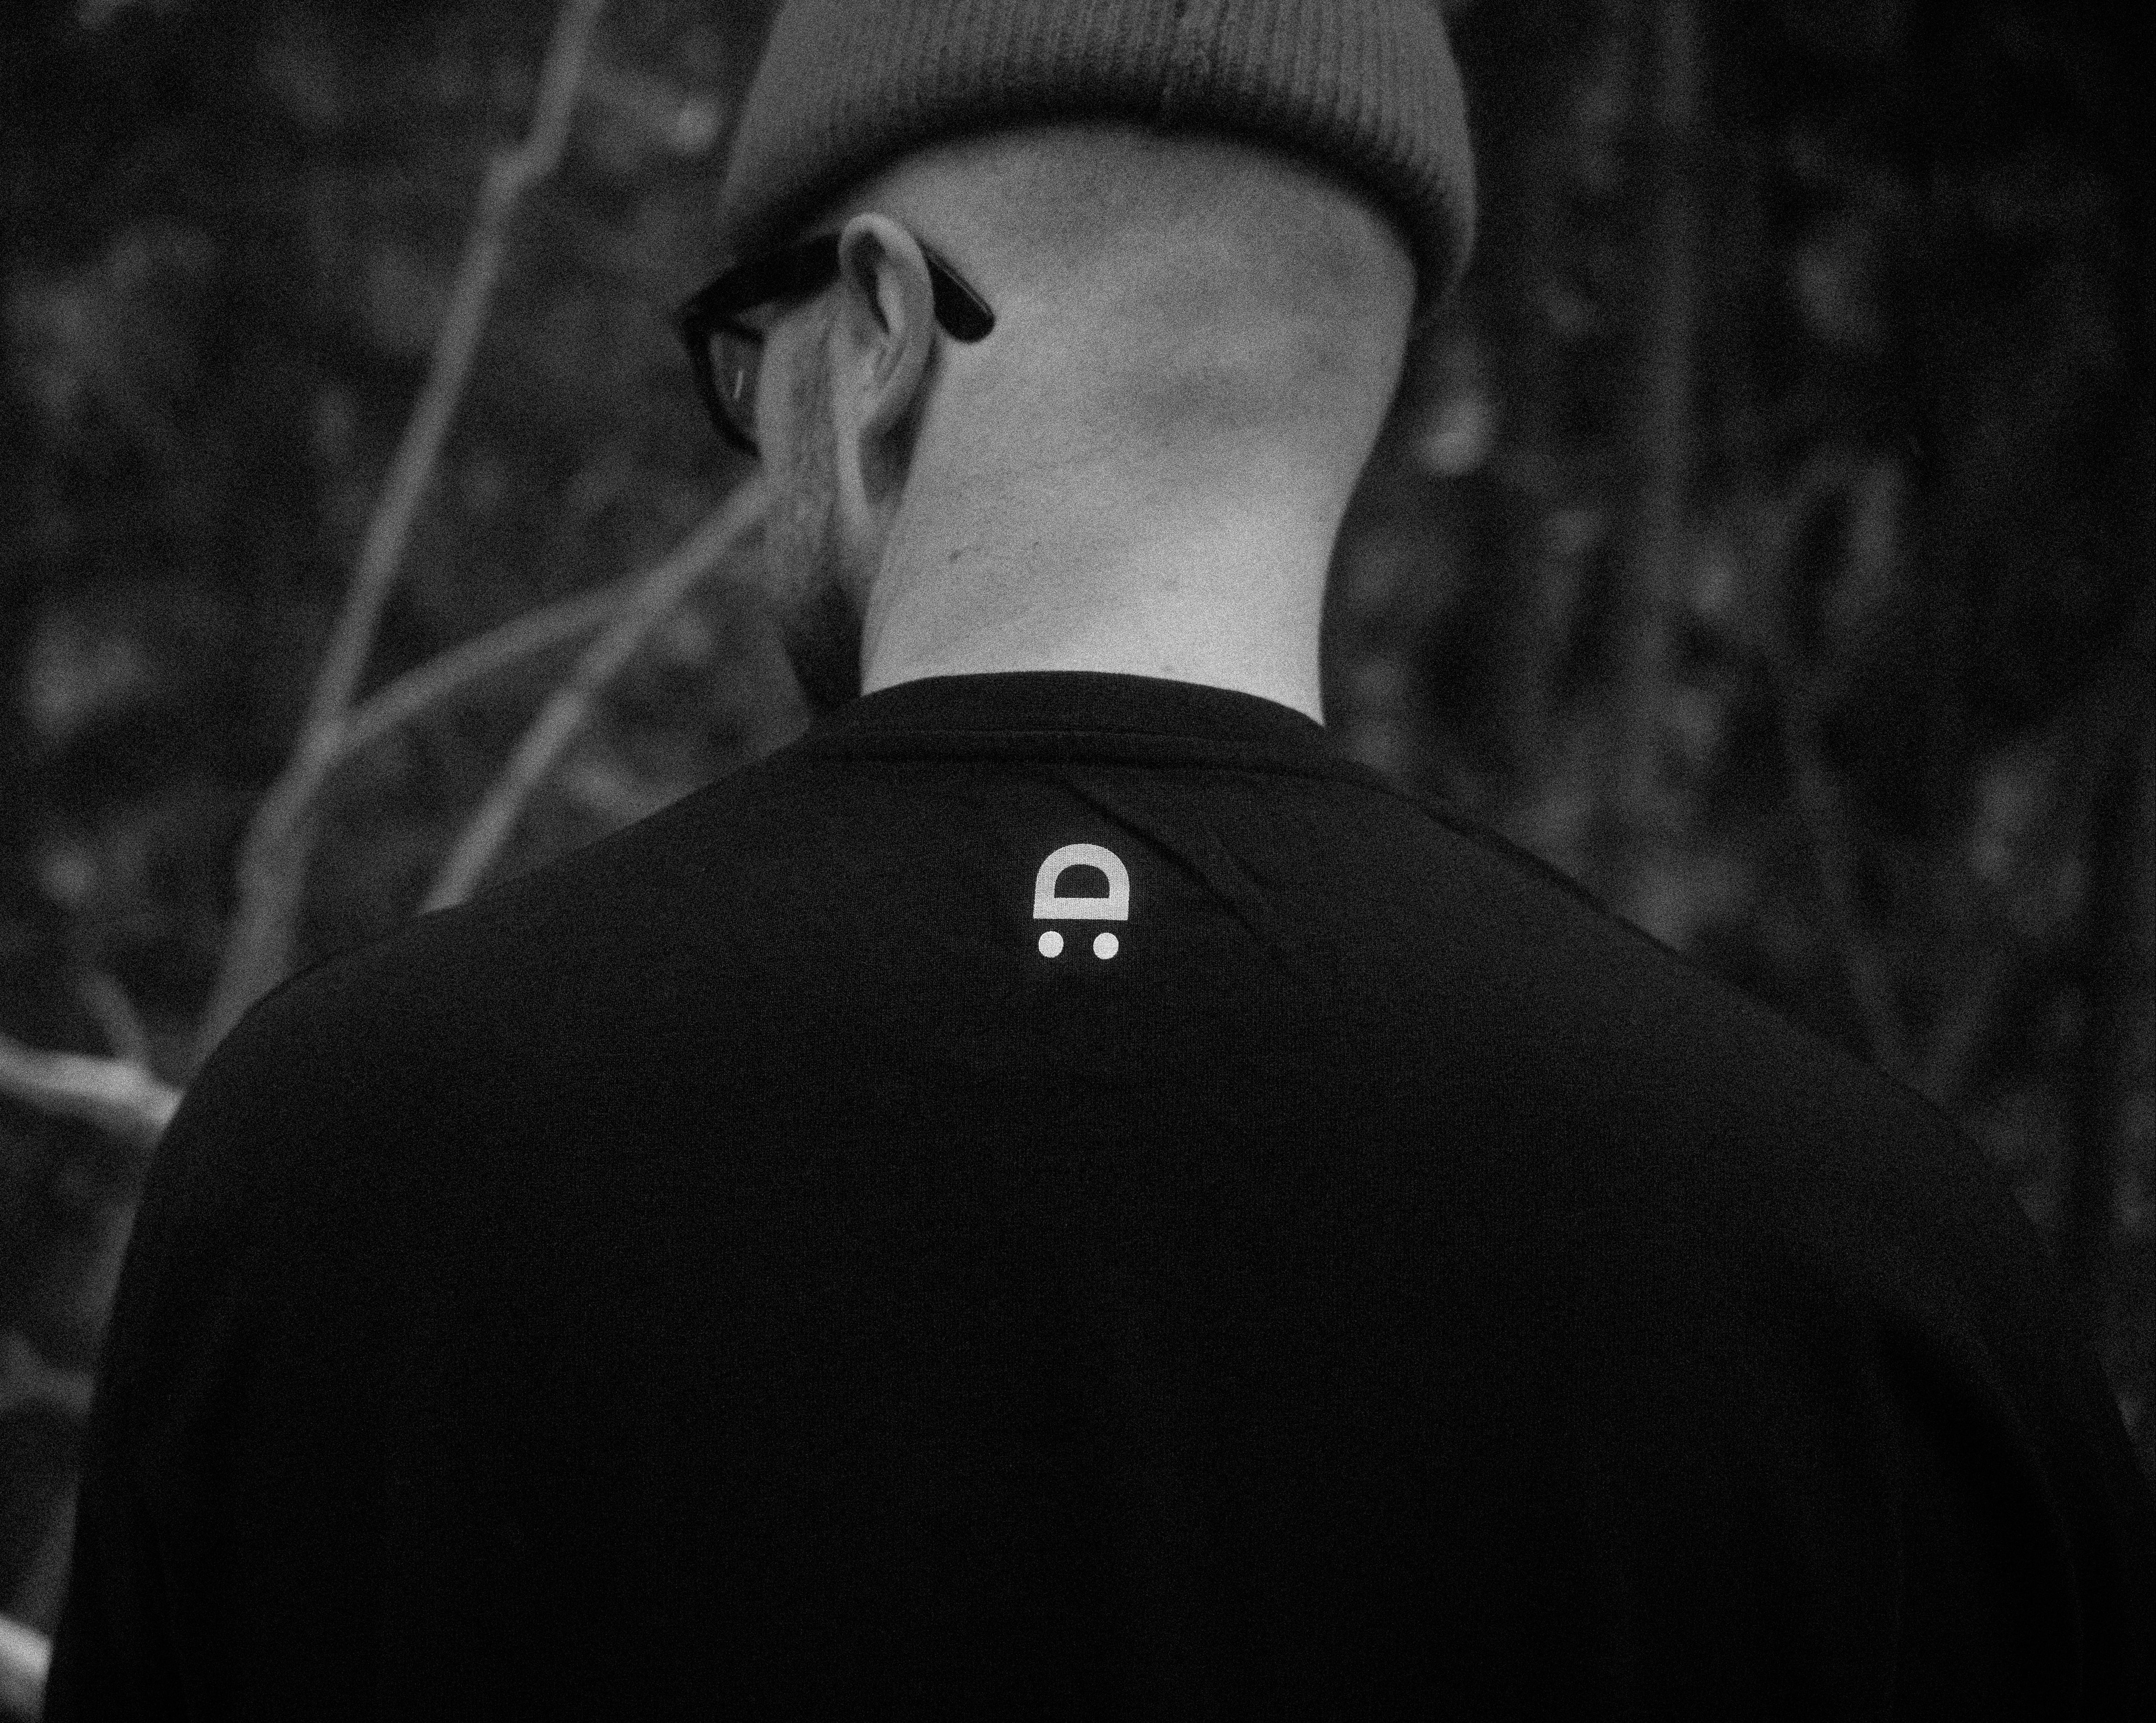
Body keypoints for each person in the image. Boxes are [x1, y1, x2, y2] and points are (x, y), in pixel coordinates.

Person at [46, 0, 2156, 1714]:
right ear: (1359, 369)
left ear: (880, 331)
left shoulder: (339, 1167)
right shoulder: (1881, 1276)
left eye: (750, 359)